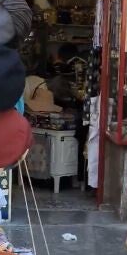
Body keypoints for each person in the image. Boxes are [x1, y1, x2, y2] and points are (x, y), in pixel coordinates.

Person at [48, 44, 88, 183]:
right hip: (76, 113)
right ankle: (78, 178)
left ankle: (77, 178)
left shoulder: (64, 76)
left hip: (75, 113)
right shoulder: (64, 77)